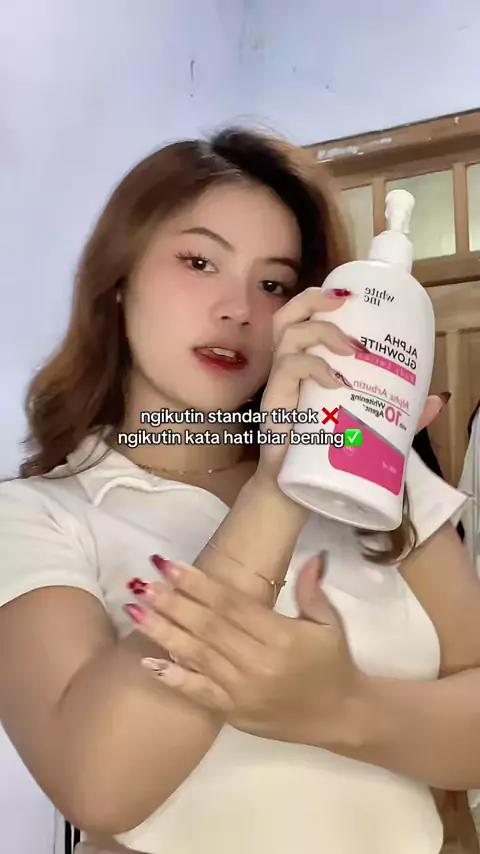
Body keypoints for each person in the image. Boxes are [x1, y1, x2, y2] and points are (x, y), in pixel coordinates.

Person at [0, 127, 479, 854]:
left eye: (274, 284)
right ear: (119, 278)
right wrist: (277, 491)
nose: (240, 310)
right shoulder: (34, 515)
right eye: (199, 262)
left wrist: (343, 707)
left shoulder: (372, 469)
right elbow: (98, 786)